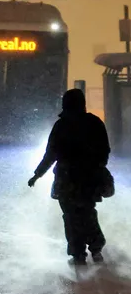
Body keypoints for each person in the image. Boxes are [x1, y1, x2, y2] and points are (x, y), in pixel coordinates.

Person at [28, 88, 110, 266]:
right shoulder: (95, 123)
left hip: (66, 180)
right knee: (88, 213)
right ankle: (96, 249)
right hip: (89, 180)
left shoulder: (61, 125)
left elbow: (50, 155)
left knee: (71, 217)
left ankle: (78, 254)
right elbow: (105, 151)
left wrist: (37, 175)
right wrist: (97, 167)